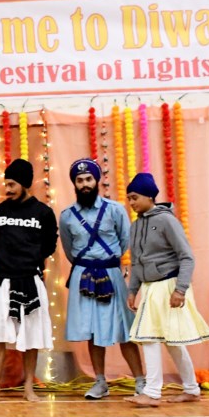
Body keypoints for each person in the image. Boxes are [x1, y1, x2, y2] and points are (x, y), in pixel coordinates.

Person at [124, 173, 209, 407]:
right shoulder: (135, 226)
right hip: (149, 288)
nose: (131, 203)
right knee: (171, 341)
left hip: (168, 286)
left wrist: (180, 289)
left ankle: (152, 393)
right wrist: (132, 291)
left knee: (150, 338)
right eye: (129, 199)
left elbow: (187, 257)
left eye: (134, 197)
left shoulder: (166, 221)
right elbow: (135, 263)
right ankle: (192, 389)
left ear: (150, 197)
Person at [60, 158, 146, 400]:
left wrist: (108, 261)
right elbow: (68, 249)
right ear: (74, 184)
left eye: (89, 179)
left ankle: (140, 380)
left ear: (97, 181)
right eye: (80, 180)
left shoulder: (116, 210)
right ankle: (99, 382)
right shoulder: (67, 216)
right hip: (83, 275)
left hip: (111, 274)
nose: (85, 184)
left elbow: (124, 240)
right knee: (91, 331)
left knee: (124, 329)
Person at [0, 159, 58, 404]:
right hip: (3, 280)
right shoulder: (0, 212)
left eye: (13, 184)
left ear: (26, 184)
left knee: (32, 337)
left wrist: (31, 261)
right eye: (6, 183)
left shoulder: (43, 213)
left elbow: (49, 245)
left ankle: (28, 387)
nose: (8, 189)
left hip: (31, 280)